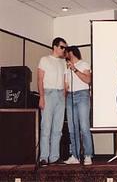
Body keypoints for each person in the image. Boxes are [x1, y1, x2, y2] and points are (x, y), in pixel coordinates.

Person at [38, 37, 67, 167]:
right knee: (46, 128)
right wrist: (41, 97)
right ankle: (44, 157)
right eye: (62, 47)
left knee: (58, 129)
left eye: (65, 48)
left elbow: (65, 81)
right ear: (55, 47)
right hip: (48, 94)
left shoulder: (63, 62)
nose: (64, 50)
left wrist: (64, 94)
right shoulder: (44, 60)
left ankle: (54, 157)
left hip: (60, 95)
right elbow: (40, 80)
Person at [64, 46, 93, 165]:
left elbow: (88, 80)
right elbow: (66, 85)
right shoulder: (66, 67)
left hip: (82, 95)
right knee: (72, 128)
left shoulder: (84, 64)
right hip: (70, 96)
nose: (65, 55)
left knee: (84, 127)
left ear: (71, 52)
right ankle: (75, 156)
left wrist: (74, 69)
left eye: (66, 52)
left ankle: (88, 155)